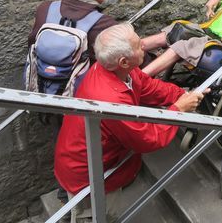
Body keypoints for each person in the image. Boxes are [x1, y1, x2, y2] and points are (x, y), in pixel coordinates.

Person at [54, 23, 205, 221]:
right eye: (137, 46)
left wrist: (183, 95)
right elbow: (147, 139)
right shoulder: (112, 101)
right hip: (89, 177)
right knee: (99, 216)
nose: (143, 45)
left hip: (82, 161)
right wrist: (179, 110)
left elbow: (148, 87)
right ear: (124, 61)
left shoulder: (115, 70)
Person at [28, 0, 118, 203]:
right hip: (79, 97)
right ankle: (82, 194)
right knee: (83, 146)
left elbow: (31, 43)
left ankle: (63, 191)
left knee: (61, 139)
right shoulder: (102, 23)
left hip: (44, 91)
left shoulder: (45, 9)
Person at [29, 0, 118, 63]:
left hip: (41, 75)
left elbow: (32, 44)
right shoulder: (105, 23)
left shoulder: (45, 9)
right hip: (81, 78)